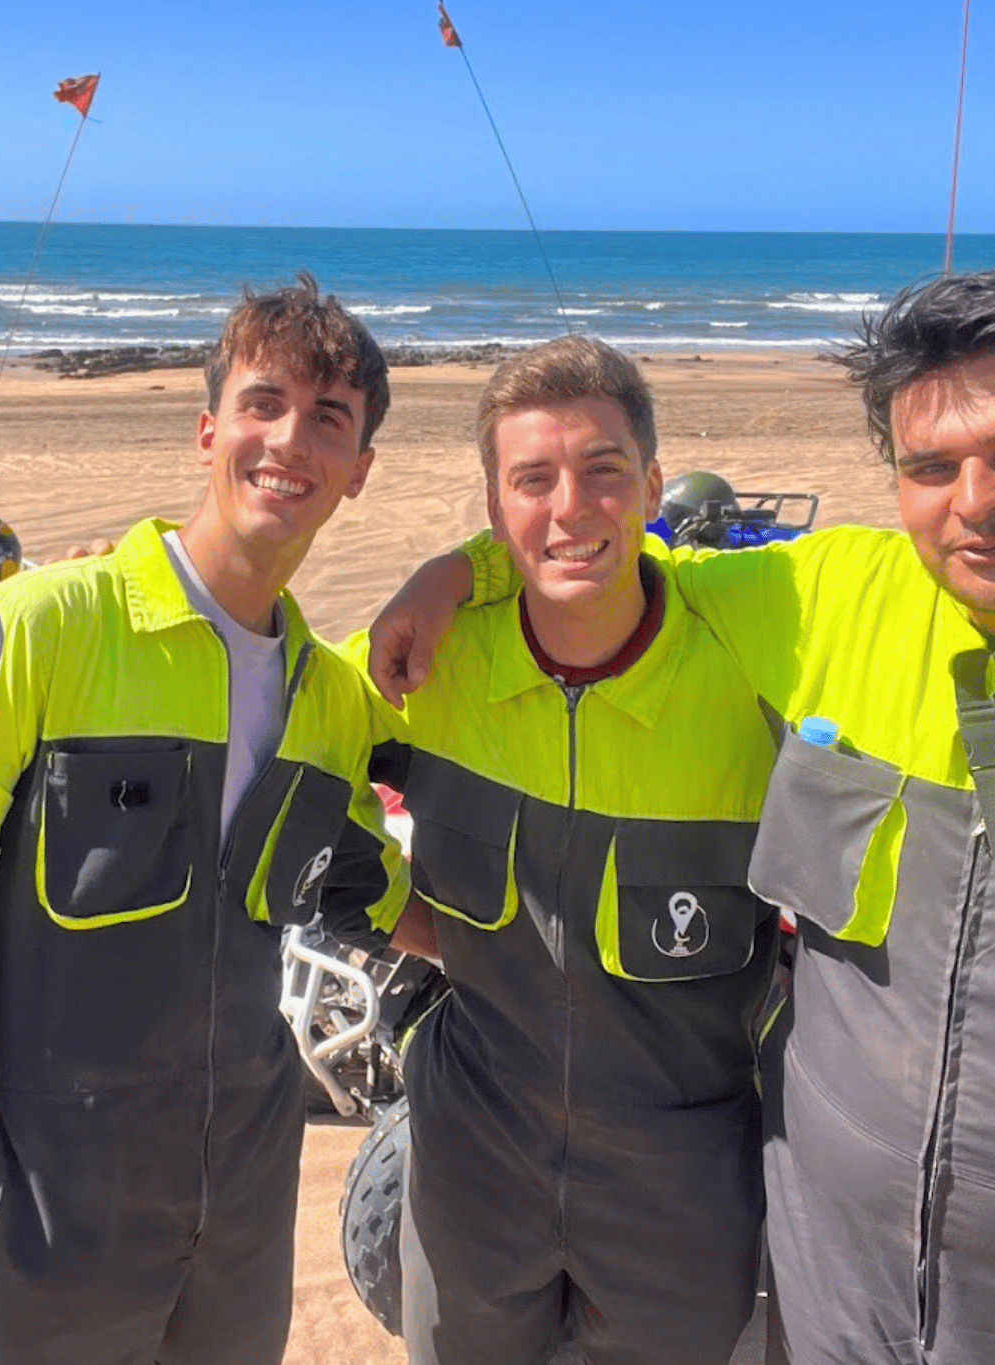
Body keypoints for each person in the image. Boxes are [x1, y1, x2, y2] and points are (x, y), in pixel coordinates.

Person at [369, 268, 995, 1364]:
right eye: (930, 466)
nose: (976, 500)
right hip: (828, 1315)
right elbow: (592, 556)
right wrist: (452, 572)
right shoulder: (832, 603)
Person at [0, 273, 414, 1365]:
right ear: (207, 428)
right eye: (263, 403)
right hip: (42, 1212)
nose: (290, 440)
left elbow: (394, 901)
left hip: (243, 1214)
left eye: (329, 419)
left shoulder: (330, 699)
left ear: (359, 469)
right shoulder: (45, 628)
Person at [371, 336, 778, 1365]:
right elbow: (284, 749)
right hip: (470, 1165)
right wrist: (406, 919)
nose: (569, 507)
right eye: (532, 480)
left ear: (652, 484)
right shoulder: (427, 664)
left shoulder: (751, 670)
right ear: (493, 504)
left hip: (681, 1183)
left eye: (603, 470)